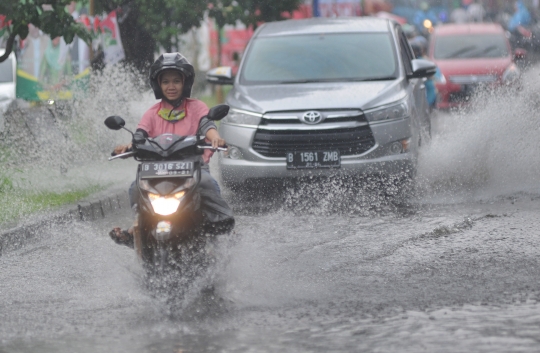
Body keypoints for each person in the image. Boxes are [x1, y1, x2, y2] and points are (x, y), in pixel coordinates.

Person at [109, 52, 232, 246]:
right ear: (158, 84)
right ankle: (136, 229)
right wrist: (128, 146)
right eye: (165, 82)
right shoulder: (152, 113)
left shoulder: (197, 107)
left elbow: (207, 125)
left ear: (185, 83)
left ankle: (219, 226)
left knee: (208, 184)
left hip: (194, 170)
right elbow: (139, 136)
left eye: (176, 81)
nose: (171, 86)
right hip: (156, 173)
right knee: (135, 188)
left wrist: (216, 139)